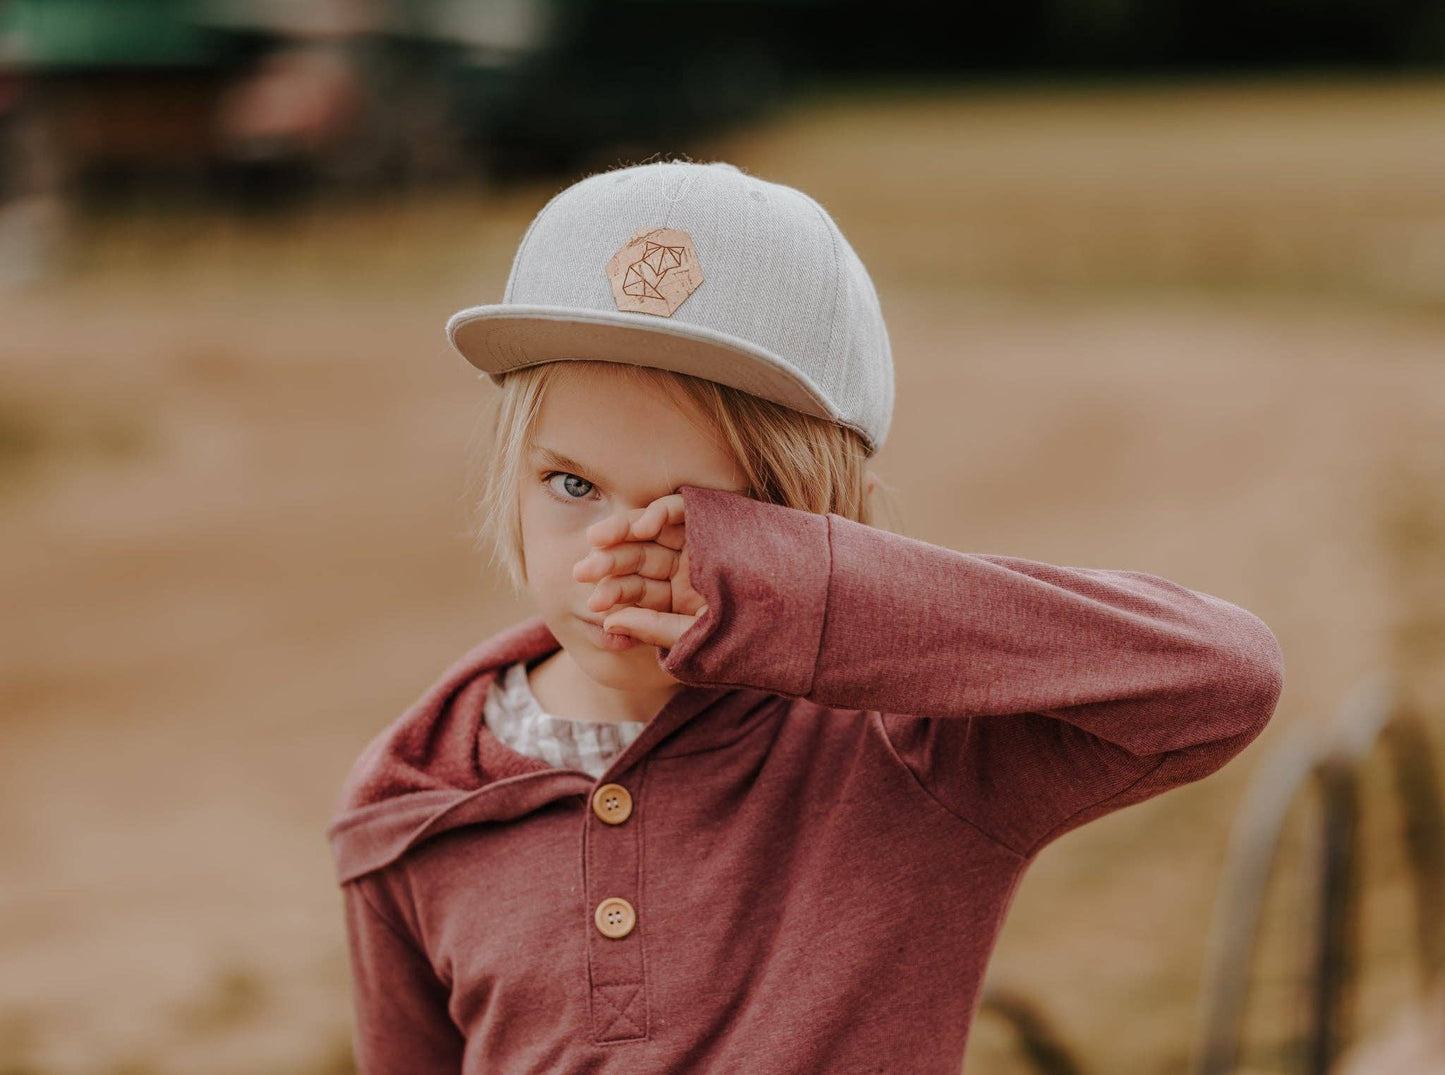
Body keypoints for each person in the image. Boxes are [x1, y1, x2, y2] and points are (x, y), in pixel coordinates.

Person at [325, 159, 1285, 1073]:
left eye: (701, 513)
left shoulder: (912, 751)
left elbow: (1223, 677)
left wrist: (806, 598)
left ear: (830, 532)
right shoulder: (410, 803)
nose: (614, 558)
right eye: (571, 483)